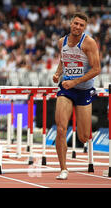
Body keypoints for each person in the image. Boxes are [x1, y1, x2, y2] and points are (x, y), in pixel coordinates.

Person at [52, 12, 101, 180]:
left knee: (83, 136)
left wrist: (75, 82)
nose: (78, 27)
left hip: (84, 91)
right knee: (61, 128)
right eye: (76, 23)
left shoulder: (89, 43)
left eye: (81, 25)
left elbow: (96, 69)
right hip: (66, 89)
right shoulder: (61, 42)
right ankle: (63, 169)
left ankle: (84, 127)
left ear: (85, 27)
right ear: (70, 23)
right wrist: (58, 73)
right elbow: (63, 60)